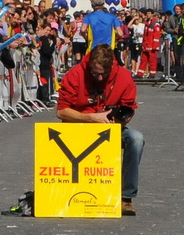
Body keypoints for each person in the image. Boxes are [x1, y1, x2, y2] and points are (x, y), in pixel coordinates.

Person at [55, 43, 144, 216]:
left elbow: (129, 109)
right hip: (78, 127)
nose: (100, 78)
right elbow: (61, 111)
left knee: (136, 139)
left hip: (110, 127)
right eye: (96, 73)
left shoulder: (124, 77)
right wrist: (92, 118)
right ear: (90, 66)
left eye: (104, 74)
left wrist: (119, 122)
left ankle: (126, 197)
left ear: (111, 67)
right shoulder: (75, 74)